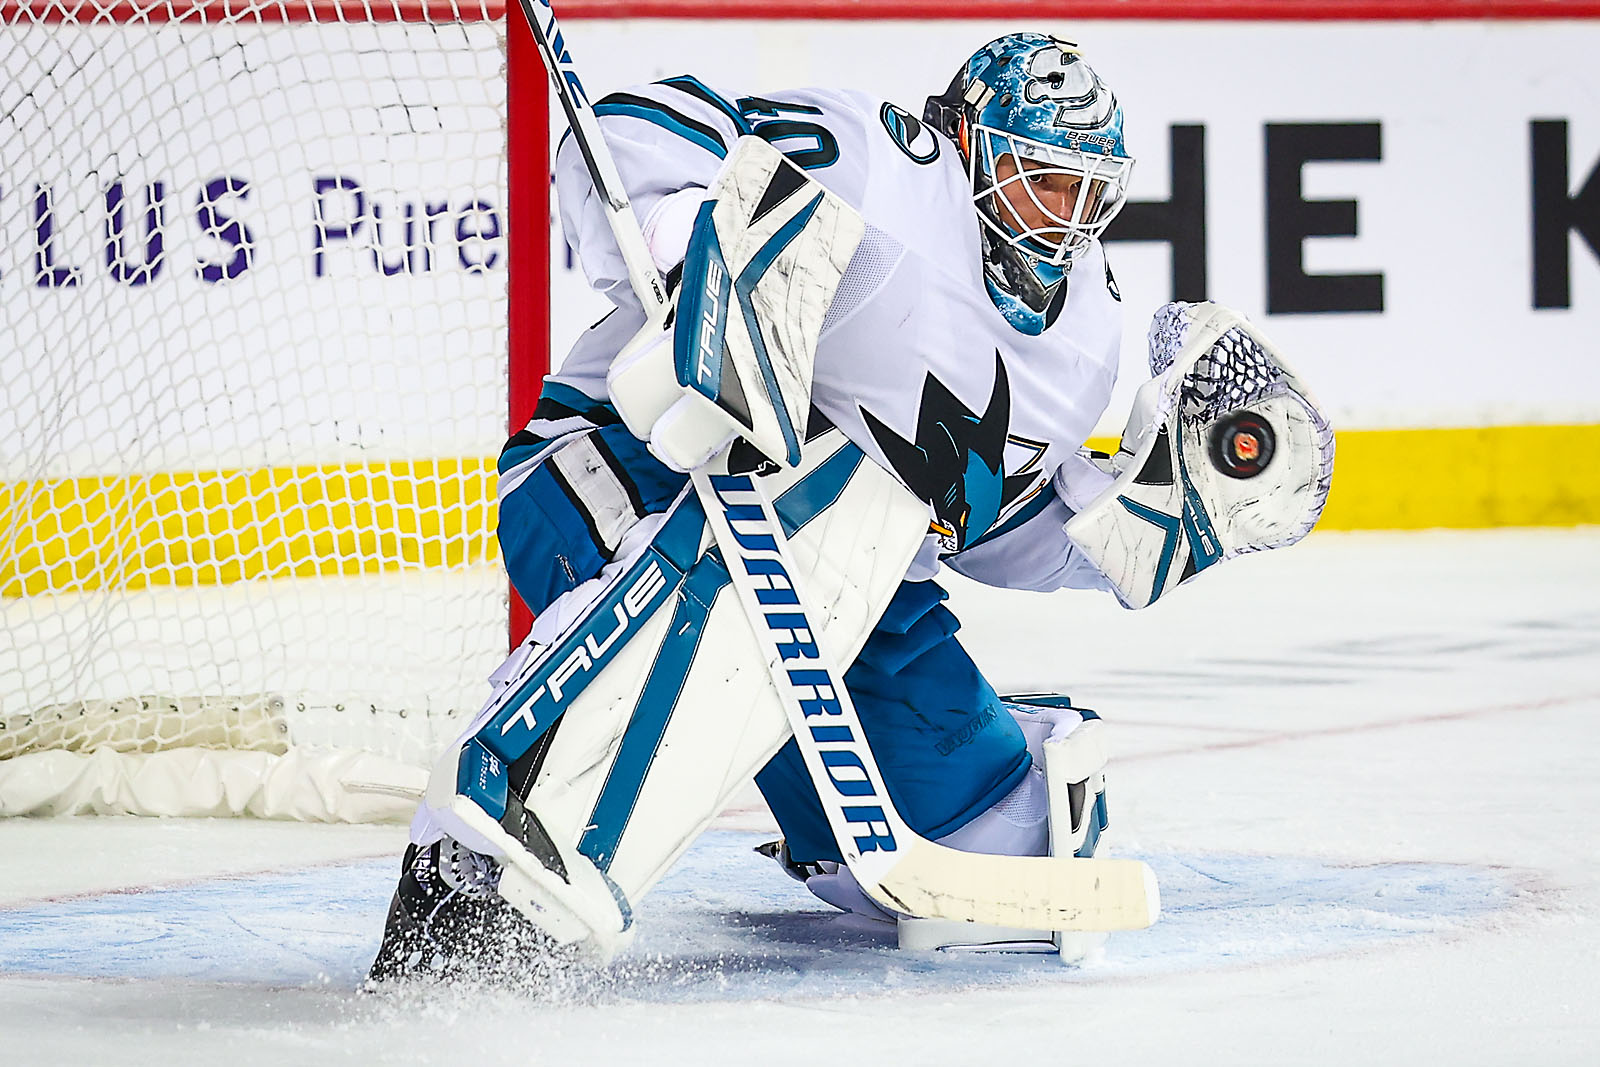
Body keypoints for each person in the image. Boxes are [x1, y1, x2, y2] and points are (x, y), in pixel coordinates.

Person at [368, 31, 1141, 980]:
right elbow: (629, 127)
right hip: (627, 468)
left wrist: (1116, 535)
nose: (1066, 218)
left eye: (1089, 192)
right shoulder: (880, 161)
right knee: (696, 633)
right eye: (1043, 180)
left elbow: (979, 518)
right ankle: (479, 857)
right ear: (970, 142)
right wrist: (695, 234)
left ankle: (850, 782)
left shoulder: (1086, 332)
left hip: (852, 577)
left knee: (995, 840)